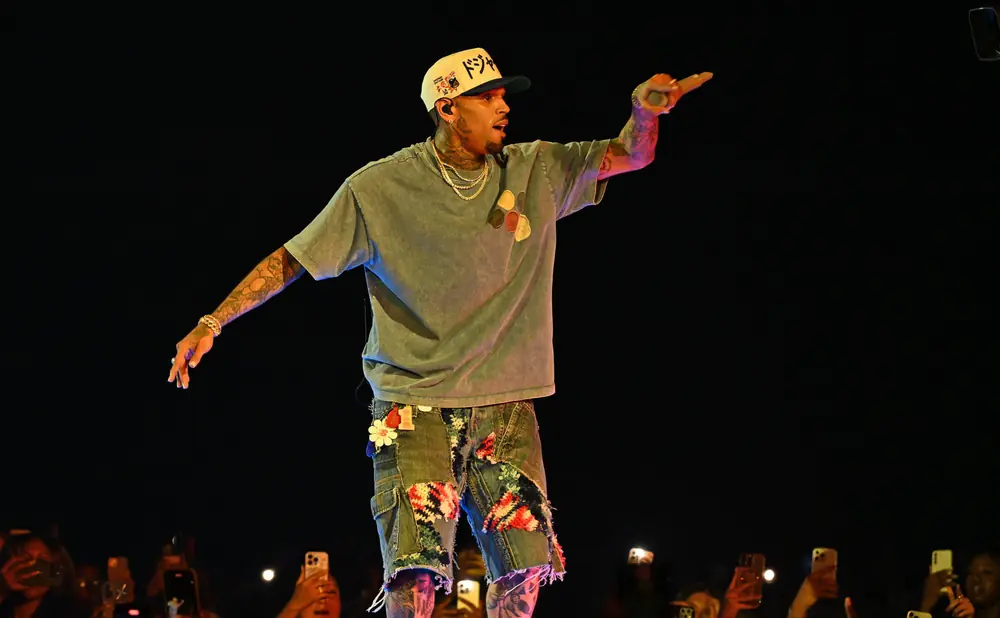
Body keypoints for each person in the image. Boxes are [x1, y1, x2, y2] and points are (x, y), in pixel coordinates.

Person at [168, 47, 711, 617]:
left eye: (505, 96)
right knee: (417, 571)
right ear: (450, 109)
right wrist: (213, 321)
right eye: (489, 96)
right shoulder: (380, 187)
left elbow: (629, 155)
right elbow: (295, 258)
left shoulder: (537, 169)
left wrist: (646, 114)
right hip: (416, 403)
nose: (505, 107)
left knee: (524, 566)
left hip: (505, 404)